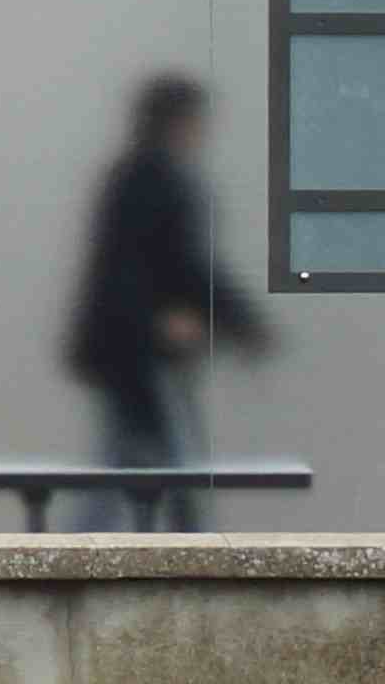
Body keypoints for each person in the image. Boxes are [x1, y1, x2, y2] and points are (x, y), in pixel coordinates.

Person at [62, 71, 264, 530]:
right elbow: (180, 265)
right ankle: (188, 558)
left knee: (132, 461)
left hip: (132, 352)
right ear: (178, 121)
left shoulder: (138, 177)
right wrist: (237, 321)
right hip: (144, 354)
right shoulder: (157, 181)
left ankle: (92, 556)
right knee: (166, 462)